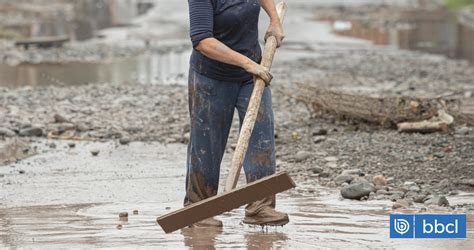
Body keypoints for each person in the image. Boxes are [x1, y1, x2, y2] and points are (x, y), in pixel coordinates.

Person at [185, 0, 287, 227]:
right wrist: (247, 63)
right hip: (211, 77)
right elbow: (201, 40)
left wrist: (274, 20)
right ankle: (198, 209)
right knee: (207, 144)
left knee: (261, 138)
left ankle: (260, 208)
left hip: (251, 76)